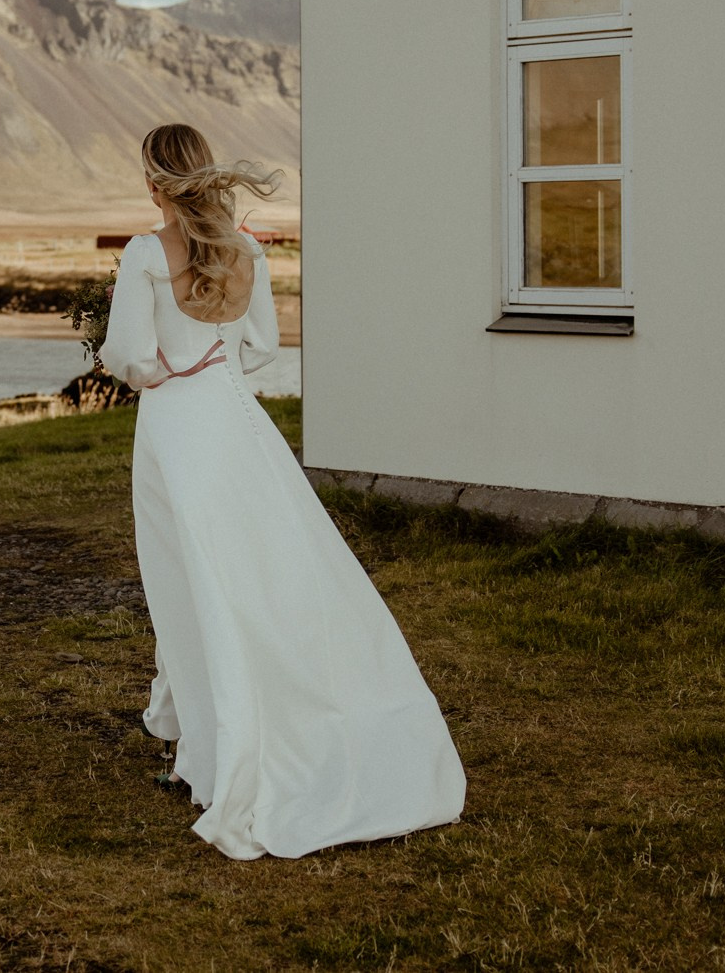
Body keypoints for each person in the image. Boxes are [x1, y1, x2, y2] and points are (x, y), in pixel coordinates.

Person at [97, 122, 465, 860]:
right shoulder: (246, 250)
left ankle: (213, 744)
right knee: (266, 571)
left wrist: (162, 370)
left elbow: (130, 356)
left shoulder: (145, 254)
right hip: (239, 422)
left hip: (175, 428)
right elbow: (262, 346)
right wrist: (216, 360)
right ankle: (217, 733)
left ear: (153, 183)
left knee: (188, 578)